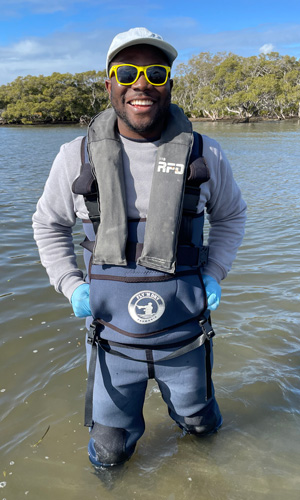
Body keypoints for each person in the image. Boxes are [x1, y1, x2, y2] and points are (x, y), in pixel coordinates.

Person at [32, 27, 246, 468]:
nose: (140, 83)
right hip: (110, 340)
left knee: (203, 428)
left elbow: (231, 217)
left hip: (185, 334)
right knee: (109, 454)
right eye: (127, 71)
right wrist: (70, 284)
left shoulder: (207, 154)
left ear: (169, 82)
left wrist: (215, 271)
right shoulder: (75, 156)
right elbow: (49, 224)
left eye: (155, 71)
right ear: (109, 82)